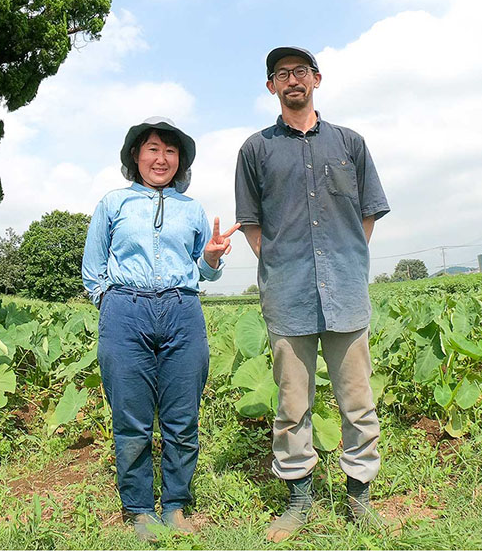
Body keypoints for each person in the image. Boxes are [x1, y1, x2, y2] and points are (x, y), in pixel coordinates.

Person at [234, 47, 390, 541]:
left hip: (345, 292)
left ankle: (358, 496)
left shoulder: (350, 143)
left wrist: (343, 260)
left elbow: (367, 212)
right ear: (271, 87)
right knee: (291, 402)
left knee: (357, 400)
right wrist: (280, 266)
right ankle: (298, 497)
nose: (292, 80)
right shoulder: (255, 150)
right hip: (288, 296)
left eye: (300, 71)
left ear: (317, 79)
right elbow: (253, 226)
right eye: (282, 74)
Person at [82, 116, 240, 541]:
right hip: (125, 313)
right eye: (152, 148)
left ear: (180, 161)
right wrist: (111, 302)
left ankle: (176, 505)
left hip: (182, 312)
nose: (161, 158)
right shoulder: (113, 203)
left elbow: (206, 273)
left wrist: (210, 257)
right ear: (136, 156)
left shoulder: (193, 210)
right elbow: (92, 267)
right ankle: (137, 508)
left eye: (170, 151)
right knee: (131, 418)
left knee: (182, 418)